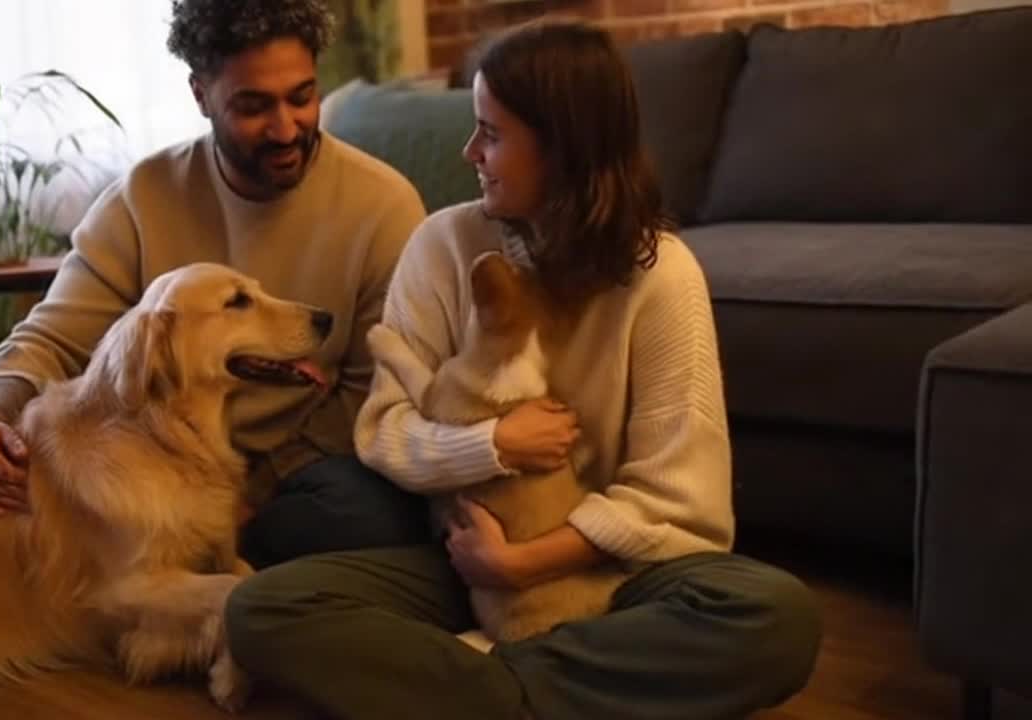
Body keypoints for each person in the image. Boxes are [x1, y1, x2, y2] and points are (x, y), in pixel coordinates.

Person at [224, 19, 823, 720]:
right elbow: (384, 429)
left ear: (564, 147)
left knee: (777, 616)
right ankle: (563, 690)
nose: (468, 150)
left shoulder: (662, 279)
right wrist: (491, 447)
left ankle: (491, 689)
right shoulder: (444, 244)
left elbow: (681, 500)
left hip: (610, 576)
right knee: (262, 609)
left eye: (491, 132)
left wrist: (522, 564)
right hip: (461, 564)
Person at [0, 0, 432, 567]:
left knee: (375, 509)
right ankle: (180, 585)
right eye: (253, 106)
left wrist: (244, 493)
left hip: (301, 469)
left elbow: (370, 391)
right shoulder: (142, 198)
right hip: (155, 468)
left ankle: (179, 582)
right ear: (201, 94)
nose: (286, 128)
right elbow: (53, 339)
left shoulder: (385, 205)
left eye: (302, 97)